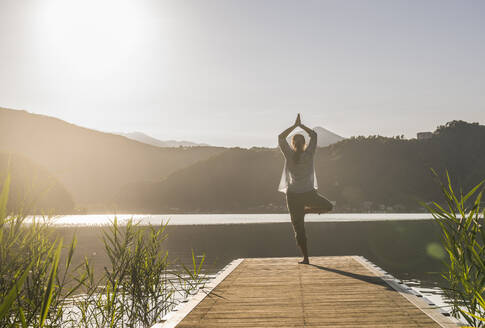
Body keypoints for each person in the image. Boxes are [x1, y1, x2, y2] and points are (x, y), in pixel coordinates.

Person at [278, 114, 333, 264]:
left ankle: (306, 258)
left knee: (299, 229)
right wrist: (301, 126)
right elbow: (314, 135)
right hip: (308, 194)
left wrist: (294, 126)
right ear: (303, 144)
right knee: (329, 206)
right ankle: (307, 211)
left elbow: (280, 137)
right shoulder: (309, 154)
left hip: (293, 196)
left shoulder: (288, 154)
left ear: (293, 144)